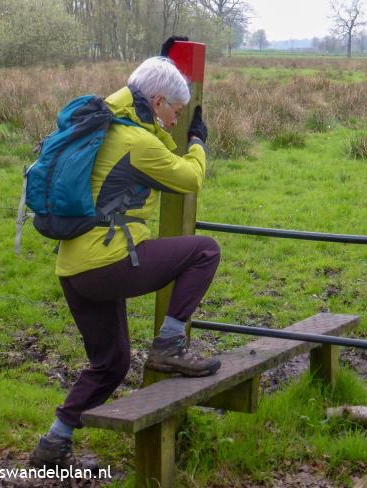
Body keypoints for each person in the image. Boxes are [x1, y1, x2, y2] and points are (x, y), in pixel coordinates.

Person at [29, 53, 221, 469]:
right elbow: (189, 179)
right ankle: (169, 346)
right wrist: (198, 144)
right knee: (205, 250)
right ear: (156, 103)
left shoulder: (103, 123)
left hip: (73, 268)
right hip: (108, 261)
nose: (176, 121)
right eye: (175, 111)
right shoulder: (137, 141)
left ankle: (53, 445)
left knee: (111, 362)